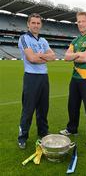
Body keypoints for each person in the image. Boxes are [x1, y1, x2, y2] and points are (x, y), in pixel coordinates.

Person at [60, 12, 86, 148]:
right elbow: (66, 57)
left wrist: (75, 55)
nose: (80, 24)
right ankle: (72, 128)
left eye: (83, 21)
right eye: (78, 22)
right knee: (72, 106)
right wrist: (79, 54)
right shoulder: (75, 40)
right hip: (75, 77)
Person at [18, 13, 56, 149]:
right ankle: (22, 137)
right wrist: (43, 57)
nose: (36, 25)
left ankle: (43, 132)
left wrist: (40, 56)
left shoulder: (43, 40)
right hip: (31, 77)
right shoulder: (24, 38)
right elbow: (31, 59)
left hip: (43, 77)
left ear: (41, 25)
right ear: (28, 24)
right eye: (33, 23)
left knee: (43, 108)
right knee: (28, 109)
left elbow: (53, 56)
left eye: (38, 23)